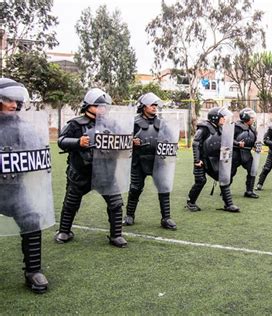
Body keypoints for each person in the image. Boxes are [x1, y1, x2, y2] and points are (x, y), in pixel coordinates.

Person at [55, 88, 128, 247]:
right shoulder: (75, 124)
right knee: (71, 202)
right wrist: (77, 142)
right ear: (87, 106)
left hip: (106, 173)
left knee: (115, 203)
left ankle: (116, 235)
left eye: (104, 106)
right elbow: (61, 140)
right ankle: (64, 231)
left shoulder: (112, 124)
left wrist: (128, 143)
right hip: (81, 172)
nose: (102, 109)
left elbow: (124, 140)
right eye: (98, 106)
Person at [0, 78, 53, 293]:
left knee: (31, 219)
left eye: (16, 101)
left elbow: (39, 153)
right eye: (7, 100)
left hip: (15, 189)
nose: (13, 105)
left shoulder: (24, 127)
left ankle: (33, 271)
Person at [123, 92, 177, 228]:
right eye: (151, 105)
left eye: (155, 105)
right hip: (138, 161)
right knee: (135, 188)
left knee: (164, 189)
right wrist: (131, 142)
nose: (154, 107)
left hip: (158, 161)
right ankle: (129, 215)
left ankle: (166, 218)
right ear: (143, 106)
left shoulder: (162, 123)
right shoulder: (133, 122)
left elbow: (171, 140)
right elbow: (122, 140)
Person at [185, 107, 239, 212]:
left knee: (223, 179)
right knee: (201, 181)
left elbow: (227, 140)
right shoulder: (204, 128)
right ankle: (191, 202)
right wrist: (197, 160)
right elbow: (196, 144)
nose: (224, 119)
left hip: (214, 159)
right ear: (215, 118)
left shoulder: (220, 128)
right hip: (201, 161)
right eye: (222, 117)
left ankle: (228, 204)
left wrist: (237, 144)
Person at [231, 108, 259, 198]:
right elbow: (228, 138)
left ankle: (249, 191)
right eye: (251, 118)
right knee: (231, 172)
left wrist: (254, 145)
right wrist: (237, 143)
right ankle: (225, 189)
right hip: (236, 153)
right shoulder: (236, 126)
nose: (253, 120)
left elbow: (252, 140)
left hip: (247, 153)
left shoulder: (253, 129)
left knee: (252, 170)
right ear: (246, 118)